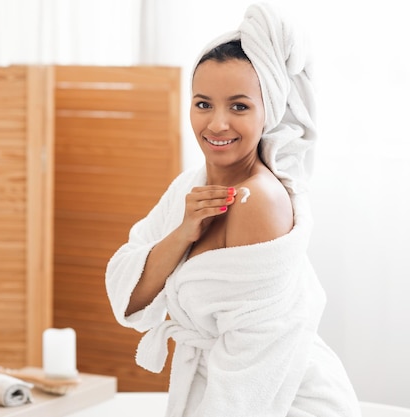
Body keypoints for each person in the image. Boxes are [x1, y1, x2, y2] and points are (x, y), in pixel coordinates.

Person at [105, 3, 361, 417]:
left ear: (268, 113)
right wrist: (182, 233)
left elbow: (255, 355)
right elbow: (128, 293)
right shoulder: (189, 188)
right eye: (203, 104)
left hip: (283, 398)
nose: (217, 124)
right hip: (226, 390)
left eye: (239, 106)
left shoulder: (258, 200)